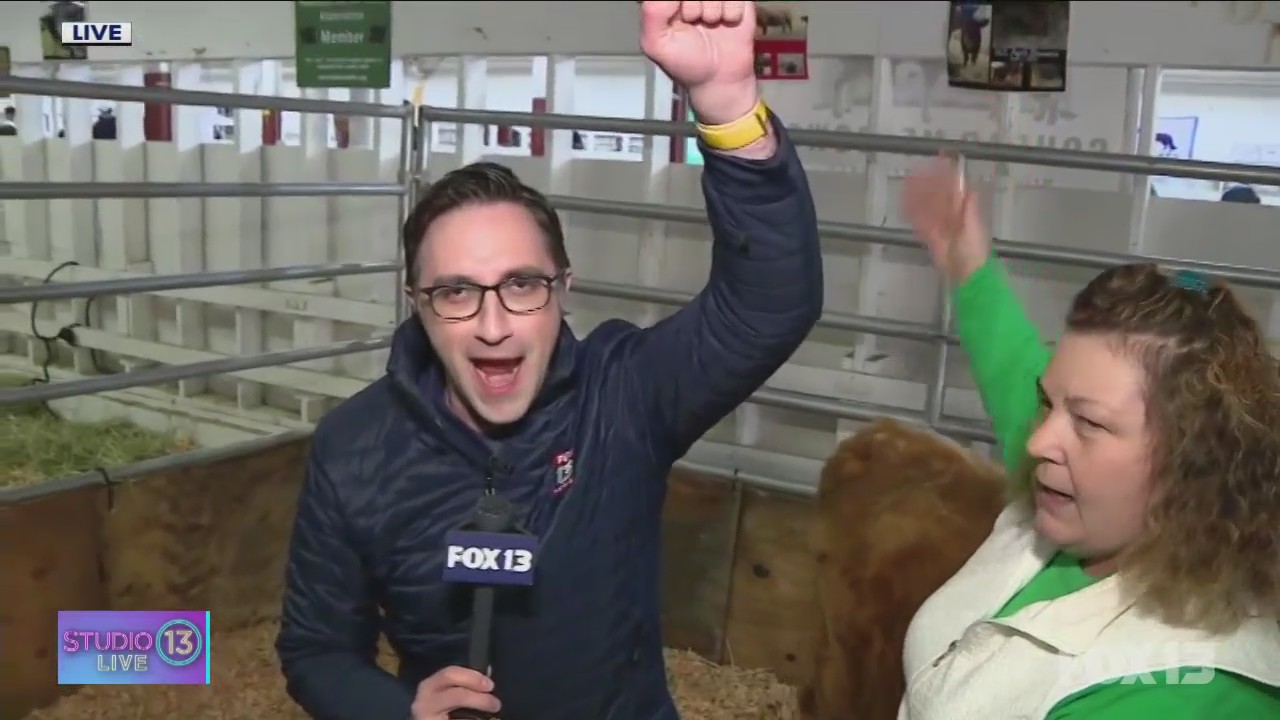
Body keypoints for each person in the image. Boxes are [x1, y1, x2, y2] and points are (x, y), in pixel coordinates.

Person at [274, 3, 824, 720]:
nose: (494, 325)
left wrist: (726, 106)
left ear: (565, 288)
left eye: (522, 285)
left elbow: (769, 305)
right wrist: (397, 711)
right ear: (417, 301)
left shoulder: (624, 397)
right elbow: (317, 648)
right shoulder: (355, 449)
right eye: (456, 292)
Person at [897, 154, 1280, 719]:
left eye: (1089, 423)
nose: (1037, 441)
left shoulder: (1174, 694)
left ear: (1192, 463)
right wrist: (968, 266)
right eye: (1049, 403)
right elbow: (1017, 370)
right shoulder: (1094, 493)